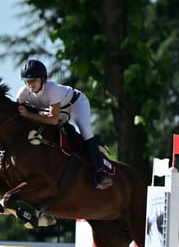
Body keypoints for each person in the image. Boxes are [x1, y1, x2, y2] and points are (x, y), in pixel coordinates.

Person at [15, 59, 113, 189]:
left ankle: (100, 172)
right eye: (27, 81)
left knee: (85, 129)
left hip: (76, 104)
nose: (30, 84)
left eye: (34, 80)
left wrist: (29, 115)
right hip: (55, 110)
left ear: (42, 79)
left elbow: (53, 119)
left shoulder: (51, 89)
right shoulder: (22, 93)